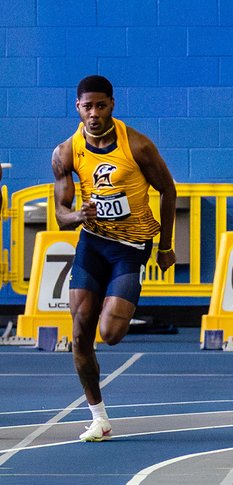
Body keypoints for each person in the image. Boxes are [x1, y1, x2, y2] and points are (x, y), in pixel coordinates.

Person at [51, 75, 177, 442]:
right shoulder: (66, 151)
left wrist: (166, 245)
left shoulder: (137, 145)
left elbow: (168, 190)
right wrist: (78, 216)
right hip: (92, 243)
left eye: (100, 106)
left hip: (131, 246)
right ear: (77, 108)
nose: (94, 114)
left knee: (111, 333)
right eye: (87, 107)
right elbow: (61, 213)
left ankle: (120, 297)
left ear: (112, 104)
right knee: (79, 334)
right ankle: (99, 417)